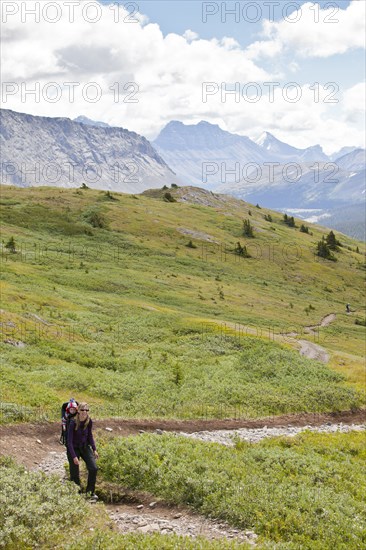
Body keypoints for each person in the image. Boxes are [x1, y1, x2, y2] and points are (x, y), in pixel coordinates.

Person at [67, 402, 99, 499]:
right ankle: (76, 493)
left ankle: (90, 493)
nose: (84, 412)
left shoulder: (89, 421)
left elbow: (90, 435)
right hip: (73, 448)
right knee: (74, 472)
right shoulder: (72, 422)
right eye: (82, 410)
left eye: (86, 410)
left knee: (93, 468)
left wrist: (94, 449)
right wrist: (74, 456)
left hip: (85, 447)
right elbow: (69, 442)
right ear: (78, 411)